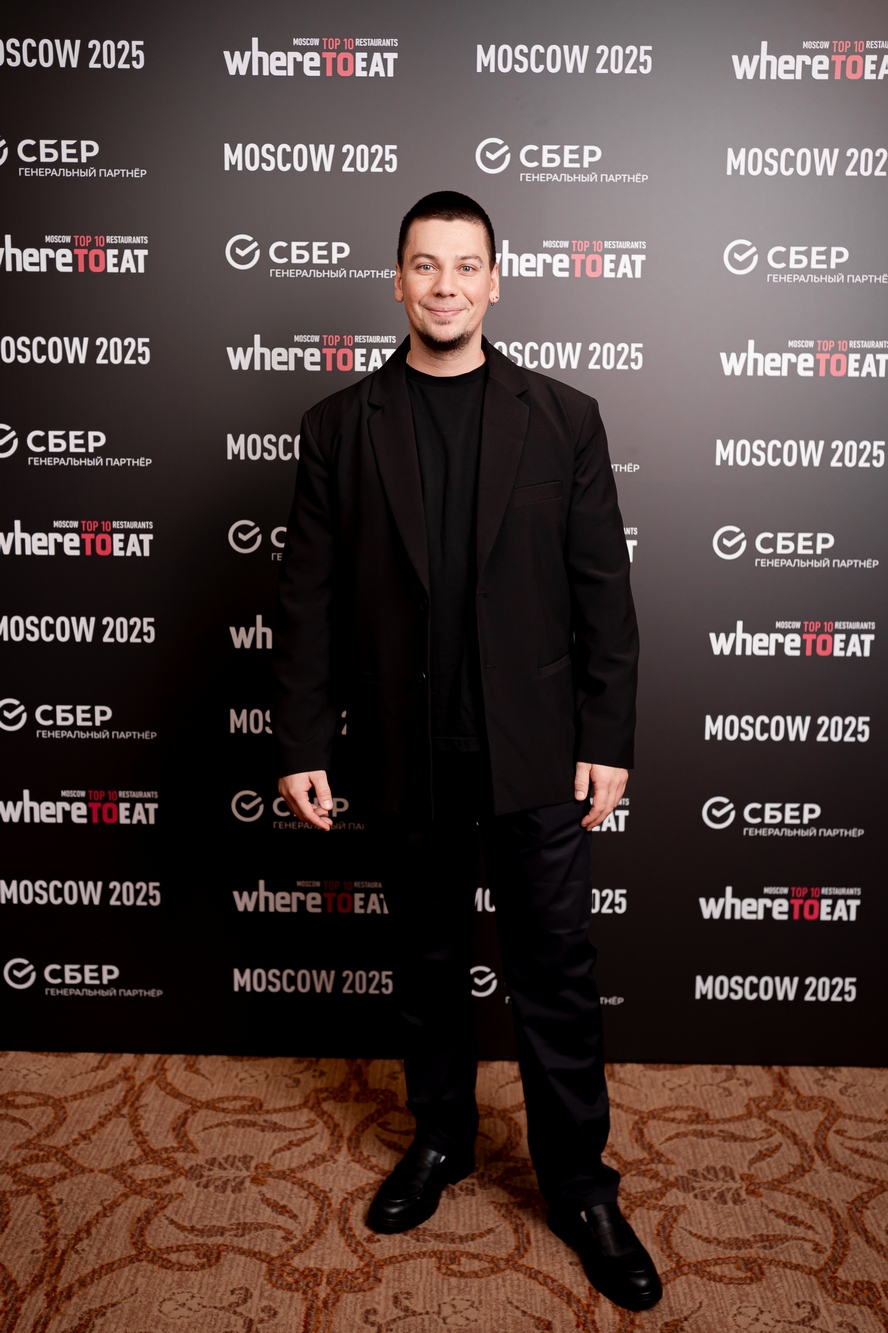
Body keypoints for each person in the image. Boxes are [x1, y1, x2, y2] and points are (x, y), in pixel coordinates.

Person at [273, 191, 661, 1312]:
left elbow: (604, 594)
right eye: (424, 264)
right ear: (397, 280)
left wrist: (607, 735)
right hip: (402, 746)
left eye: (464, 265)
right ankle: (439, 1137)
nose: (445, 285)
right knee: (426, 965)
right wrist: (302, 738)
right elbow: (307, 600)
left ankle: (580, 1185)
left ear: (497, 280)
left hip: (537, 748)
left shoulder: (565, 418)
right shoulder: (339, 427)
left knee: (556, 974)